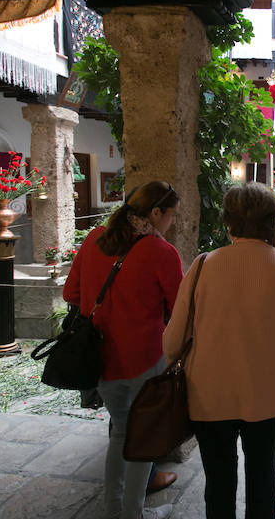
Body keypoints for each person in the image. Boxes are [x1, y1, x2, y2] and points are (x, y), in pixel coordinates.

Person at [163, 182, 275, 519]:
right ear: (271, 221)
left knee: (218, 485)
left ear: (228, 221)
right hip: (268, 397)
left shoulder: (202, 267)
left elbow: (172, 343)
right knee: (263, 484)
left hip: (209, 396)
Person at [64, 181, 183, 519]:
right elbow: (180, 308)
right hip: (145, 359)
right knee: (142, 438)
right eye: (172, 215)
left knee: (120, 431)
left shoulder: (94, 239)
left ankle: (114, 510)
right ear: (156, 212)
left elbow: (70, 293)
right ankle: (134, 513)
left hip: (101, 359)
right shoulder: (161, 252)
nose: (172, 223)